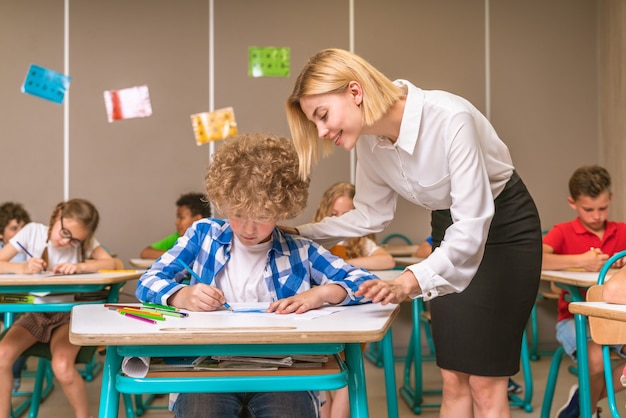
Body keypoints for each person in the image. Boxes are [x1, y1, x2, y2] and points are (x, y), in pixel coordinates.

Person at [285, 48, 542, 417]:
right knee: (453, 378)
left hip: (504, 230)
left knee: (486, 383)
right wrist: (298, 233)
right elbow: (370, 216)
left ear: (355, 92)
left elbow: (472, 225)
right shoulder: (370, 144)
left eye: (322, 116)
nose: (323, 132)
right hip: (449, 230)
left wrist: (409, 281)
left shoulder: (450, 117)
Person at [135, 133, 379, 418]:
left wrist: (322, 293)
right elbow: (147, 281)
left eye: (262, 217)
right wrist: (181, 294)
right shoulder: (203, 235)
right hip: (206, 366)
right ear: (224, 202)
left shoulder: (300, 250)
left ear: (282, 209)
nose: (248, 229)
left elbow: (365, 283)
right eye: (238, 214)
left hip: (284, 370)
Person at [0, 198, 116, 418]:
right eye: (64, 233)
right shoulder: (32, 232)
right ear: (57, 216)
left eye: (75, 241)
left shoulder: (82, 241)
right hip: (36, 313)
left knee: (62, 366)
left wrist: (79, 266)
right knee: (2, 354)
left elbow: (110, 263)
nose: (66, 242)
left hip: (69, 315)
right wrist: (22, 267)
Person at [542, 165, 626, 418]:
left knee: (598, 362)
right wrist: (580, 260)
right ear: (572, 203)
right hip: (574, 319)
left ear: (610, 198)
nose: (596, 216)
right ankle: (589, 411)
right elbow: (536, 258)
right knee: (596, 360)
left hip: (613, 320)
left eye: (602, 208)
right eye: (588, 209)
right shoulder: (563, 232)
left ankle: (583, 398)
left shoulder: (621, 230)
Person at [312, 181, 393, 418]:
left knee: (348, 379)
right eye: (334, 215)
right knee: (322, 376)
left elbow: (386, 261)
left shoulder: (361, 243)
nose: (340, 222)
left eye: (347, 216)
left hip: (353, 323)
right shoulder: (317, 242)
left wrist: (344, 266)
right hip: (322, 321)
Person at [314, 181, 395, 271]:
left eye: (346, 216)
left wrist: (343, 263)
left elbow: (388, 261)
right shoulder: (316, 239)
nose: (339, 220)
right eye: (333, 214)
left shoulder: (359, 242)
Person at [0, 202, 32, 392]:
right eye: (14, 228)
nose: (20, 233)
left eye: (23, 228)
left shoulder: (30, 252)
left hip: (23, 302)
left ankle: (14, 375)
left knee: (18, 328)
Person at [140, 192, 211, 259]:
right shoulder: (179, 237)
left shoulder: (211, 239)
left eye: (181, 217)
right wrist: (177, 254)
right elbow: (145, 253)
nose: (177, 222)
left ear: (197, 219)